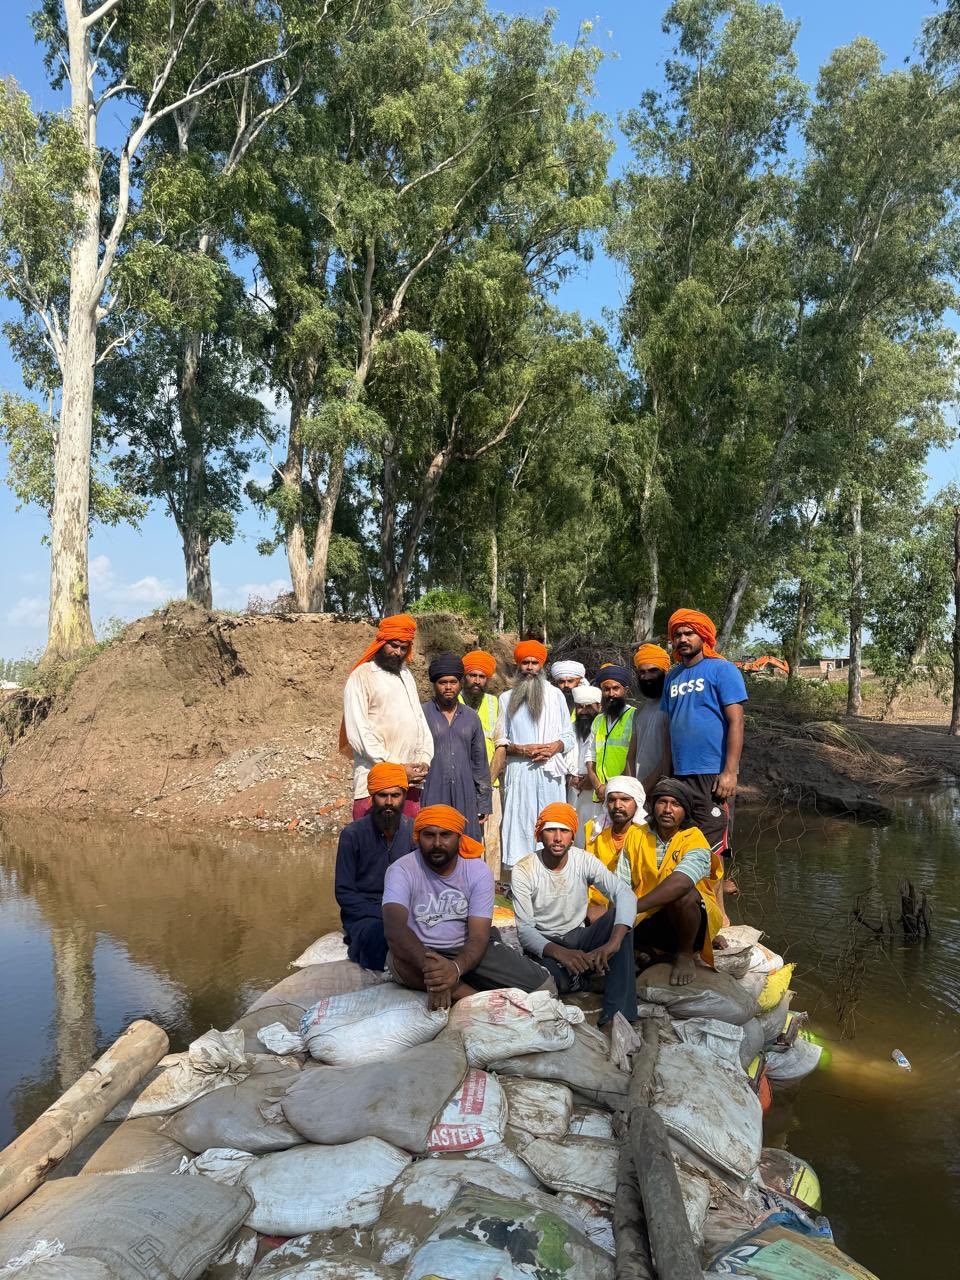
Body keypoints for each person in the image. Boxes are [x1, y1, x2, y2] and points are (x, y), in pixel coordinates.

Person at [382, 805, 553, 1009]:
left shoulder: (477, 871)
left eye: (445, 835)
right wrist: (437, 973)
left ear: (459, 837)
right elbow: (395, 930)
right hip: (422, 952)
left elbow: (479, 937)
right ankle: (472, 997)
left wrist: (455, 969)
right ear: (418, 837)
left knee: (544, 987)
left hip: (465, 949)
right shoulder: (401, 870)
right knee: (397, 961)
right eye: (429, 835)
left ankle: (457, 988)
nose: (437, 843)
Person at [585, 775, 723, 987]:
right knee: (607, 916)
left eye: (675, 804)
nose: (667, 810)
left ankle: (684, 954)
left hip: (685, 922)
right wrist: (615, 928)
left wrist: (631, 907)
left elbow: (681, 882)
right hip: (646, 918)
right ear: (652, 805)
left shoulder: (694, 839)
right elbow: (621, 885)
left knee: (684, 896)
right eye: (662, 802)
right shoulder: (636, 835)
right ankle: (646, 953)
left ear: (685, 810)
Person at [511, 803, 638, 1028]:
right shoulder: (524, 869)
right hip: (546, 944)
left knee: (619, 919)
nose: (557, 838)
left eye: (564, 831)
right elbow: (525, 931)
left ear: (572, 836)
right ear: (540, 835)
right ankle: (584, 979)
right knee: (542, 980)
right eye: (551, 830)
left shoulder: (583, 860)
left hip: (579, 937)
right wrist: (562, 954)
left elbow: (624, 893)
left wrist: (614, 943)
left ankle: (618, 1014)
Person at [649, 610, 748, 866]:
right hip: (679, 774)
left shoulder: (722, 669)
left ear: (703, 636)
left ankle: (715, 894)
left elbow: (736, 722)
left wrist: (730, 772)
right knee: (679, 841)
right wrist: (666, 774)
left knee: (712, 847)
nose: (682, 639)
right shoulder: (672, 676)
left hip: (712, 774)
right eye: (677, 635)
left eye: (689, 633)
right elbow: (669, 729)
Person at [491, 641, 574, 869]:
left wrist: (555, 746)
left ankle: (552, 872)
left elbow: (569, 736)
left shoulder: (556, 695)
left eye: (534, 663)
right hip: (520, 773)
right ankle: (520, 875)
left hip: (550, 775)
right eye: (525, 663)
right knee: (520, 824)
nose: (529, 667)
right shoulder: (506, 698)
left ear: (541, 665)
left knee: (551, 822)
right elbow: (501, 741)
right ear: (518, 665)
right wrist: (522, 749)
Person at [341, 613, 433, 819]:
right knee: (371, 839)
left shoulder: (406, 676)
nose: (398, 652)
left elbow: (420, 722)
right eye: (393, 645)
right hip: (376, 785)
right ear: (381, 643)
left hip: (410, 784)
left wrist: (424, 759)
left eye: (404, 648)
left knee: (407, 838)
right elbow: (358, 734)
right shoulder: (362, 676)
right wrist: (397, 769)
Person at [334, 763, 413, 971]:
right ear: (372, 796)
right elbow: (344, 892)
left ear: (404, 796)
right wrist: (384, 914)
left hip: (407, 910)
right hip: (366, 914)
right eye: (382, 795)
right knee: (377, 936)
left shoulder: (414, 832)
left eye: (395, 795)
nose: (389, 802)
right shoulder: (352, 835)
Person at [420, 654, 491, 842]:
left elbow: (480, 763)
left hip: (465, 793)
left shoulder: (471, 717)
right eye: (443, 682)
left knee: (466, 844)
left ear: (460, 683)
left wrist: (484, 802)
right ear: (434, 684)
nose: (448, 687)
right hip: (431, 791)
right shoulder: (421, 714)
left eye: (453, 682)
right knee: (433, 843)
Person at [460, 649, 502, 873]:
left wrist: (485, 785)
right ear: (464, 677)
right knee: (460, 838)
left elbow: (501, 747)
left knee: (491, 840)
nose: (477, 681)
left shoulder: (494, 704)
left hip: (489, 785)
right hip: (458, 786)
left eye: (481, 677)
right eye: (472, 675)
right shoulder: (453, 700)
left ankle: (491, 886)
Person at [585, 663, 636, 810]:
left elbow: (635, 758)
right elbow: (590, 756)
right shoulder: (598, 720)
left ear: (625, 691)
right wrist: (598, 786)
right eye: (606, 689)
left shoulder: (634, 716)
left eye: (616, 688)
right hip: (600, 794)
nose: (611, 694)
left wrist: (611, 787)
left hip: (624, 794)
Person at [628, 644, 671, 784]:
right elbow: (631, 754)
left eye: (653, 671)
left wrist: (646, 787)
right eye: (642, 672)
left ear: (665, 672)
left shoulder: (673, 705)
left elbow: (669, 754)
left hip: (662, 786)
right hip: (638, 787)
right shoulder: (639, 710)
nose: (647, 677)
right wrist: (632, 787)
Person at [566, 684, 603, 832]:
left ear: (599, 707)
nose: (584, 711)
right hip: (573, 789)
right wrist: (570, 777)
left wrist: (591, 778)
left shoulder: (603, 728)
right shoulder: (569, 728)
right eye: (580, 707)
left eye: (589, 707)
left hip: (594, 789)